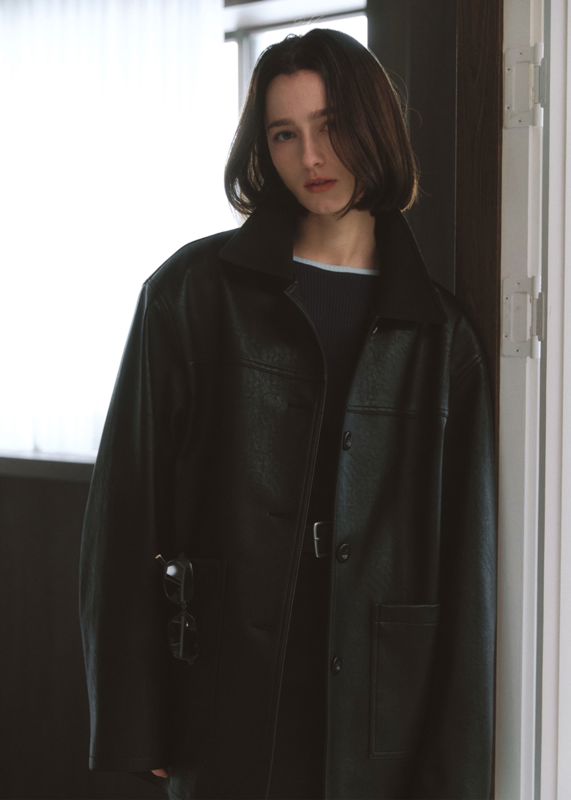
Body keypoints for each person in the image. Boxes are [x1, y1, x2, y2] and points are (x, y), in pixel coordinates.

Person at [79, 28, 496, 800]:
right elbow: (127, 511)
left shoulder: (442, 338)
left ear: (373, 127)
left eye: (331, 126)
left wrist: (458, 767)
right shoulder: (190, 294)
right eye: (284, 134)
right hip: (225, 690)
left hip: (379, 712)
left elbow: (468, 572)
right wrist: (138, 720)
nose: (311, 156)